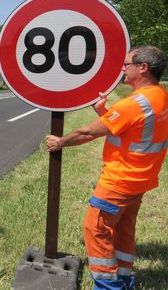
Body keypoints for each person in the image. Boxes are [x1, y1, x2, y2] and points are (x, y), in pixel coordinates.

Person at [46, 45, 167, 290]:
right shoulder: (159, 96)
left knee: (96, 229)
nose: (123, 68)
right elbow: (132, 128)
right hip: (140, 180)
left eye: (127, 64)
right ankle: (123, 280)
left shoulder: (134, 104)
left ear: (142, 68)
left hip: (119, 181)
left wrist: (60, 142)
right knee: (123, 230)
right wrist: (104, 111)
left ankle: (107, 286)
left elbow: (87, 132)